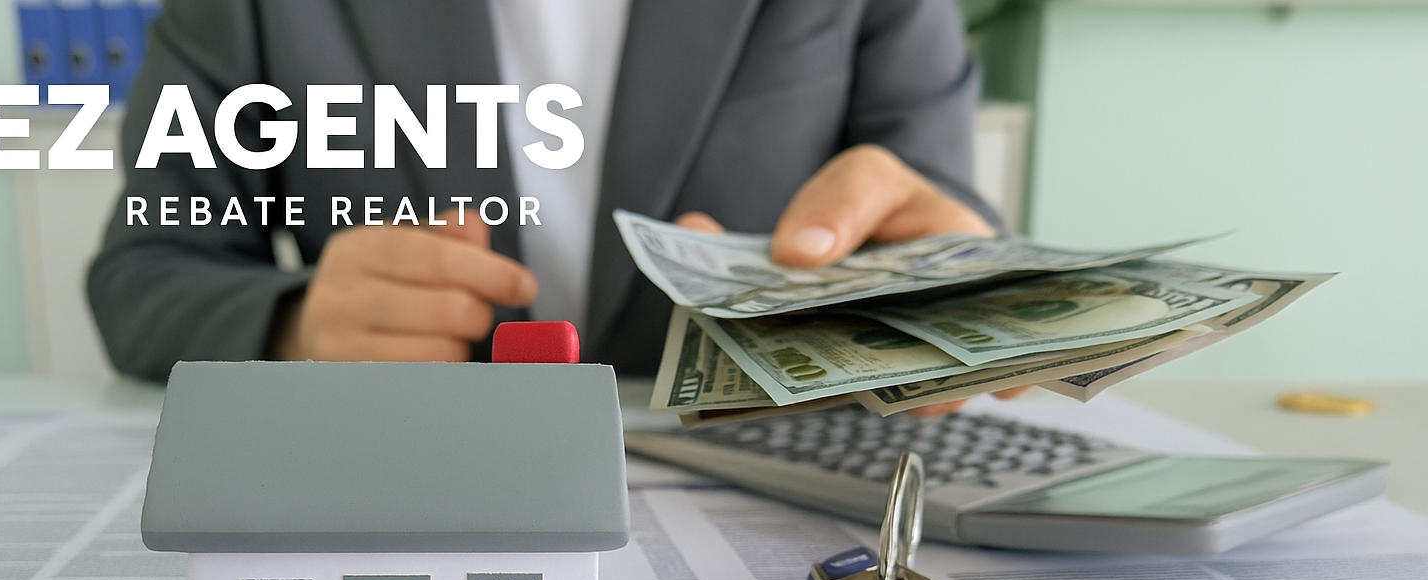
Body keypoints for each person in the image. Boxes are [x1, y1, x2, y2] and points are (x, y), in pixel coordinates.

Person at [89, 0, 1010, 415]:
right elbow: (143, 275)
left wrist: (939, 291)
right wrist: (296, 325)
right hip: (415, 492)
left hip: (781, 504)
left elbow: (934, 215)